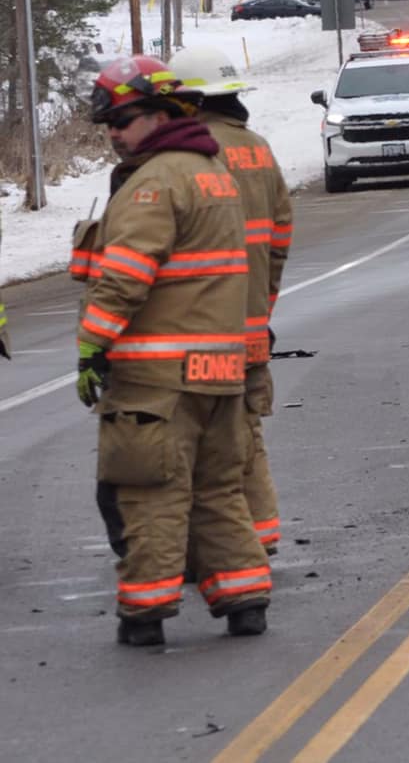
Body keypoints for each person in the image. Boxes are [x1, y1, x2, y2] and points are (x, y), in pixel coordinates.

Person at [75, 55, 270, 646]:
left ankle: (145, 614)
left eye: (123, 119)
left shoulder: (155, 182)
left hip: (158, 377)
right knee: (218, 490)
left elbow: (126, 276)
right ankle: (244, 600)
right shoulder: (212, 173)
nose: (113, 131)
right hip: (220, 370)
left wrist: (91, 346)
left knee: (150, 493)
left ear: (162, 114)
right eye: (108, 121)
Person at [167, 45, 292, 563]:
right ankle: (257, 536)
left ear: (190, 102)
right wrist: (261, 306)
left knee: (196, 446)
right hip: (250, 325)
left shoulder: (191, 155)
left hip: (200, 328)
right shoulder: (258, 149)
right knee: (246, 435)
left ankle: (226, 549)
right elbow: (280, 237)